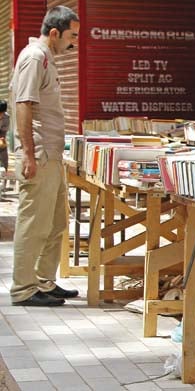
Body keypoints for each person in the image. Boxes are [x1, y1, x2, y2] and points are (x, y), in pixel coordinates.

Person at [10, 6, 79, 306]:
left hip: (51, 154)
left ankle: (44, 281)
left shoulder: (47, 59)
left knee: (55, 223)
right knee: (34, 224)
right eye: (71, 36)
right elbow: (24, 104)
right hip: (38, 154)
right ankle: (23, 289)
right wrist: (28, 155)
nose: (73, 43)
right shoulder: (34, 57)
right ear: (54, 33)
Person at [0, 100, 9, 172]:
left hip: (1, 141)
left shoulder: (6, 117)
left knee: (4, 158)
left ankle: (4, 174)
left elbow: (4, 130)